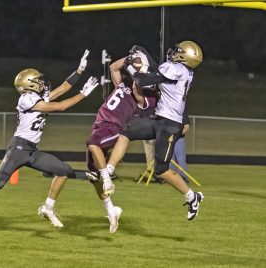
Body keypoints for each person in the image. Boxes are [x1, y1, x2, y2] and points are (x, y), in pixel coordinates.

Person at [0, 50, 99, 228]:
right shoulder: (27, 99)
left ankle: (48, 208)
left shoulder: (35, 96)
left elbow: (63, 88)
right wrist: (84, 93)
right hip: (19, 149)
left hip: (32, 150)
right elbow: (60, 106)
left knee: (63, 170)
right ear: (29, 85)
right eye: (37, 80)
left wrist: (79, 70)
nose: (41, 83)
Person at [106, 41, 205, 221]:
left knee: (161, 169)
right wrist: (144, 59)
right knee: (127, 132)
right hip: (160, 120)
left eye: (178, 51)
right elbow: (156, 75)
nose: (174, 52)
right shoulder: (181, 71)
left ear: (184, 56)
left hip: (170, 125)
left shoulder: (177, 70)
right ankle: (109, 170)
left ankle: (192, 196)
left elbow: (143, 80)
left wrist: (134, 66)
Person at [85, 55, 157, 233]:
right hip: (99, 125)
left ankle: (108, 178)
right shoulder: (123, 84)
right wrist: (130, 58)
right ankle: (111, 210)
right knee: (93, 176)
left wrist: (139, 69)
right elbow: (114, 68)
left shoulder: (149, 98)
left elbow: (136, 86)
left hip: (112, 127)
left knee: (93, 145)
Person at [169, 112, 190, 183]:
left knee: (181, 159)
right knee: (170, 160)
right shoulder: (168, 113)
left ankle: (183, 178)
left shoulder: (182, 113)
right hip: (168, 140)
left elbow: (186, 128)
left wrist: (176, 135)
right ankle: (171, 178)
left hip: (179, 139)